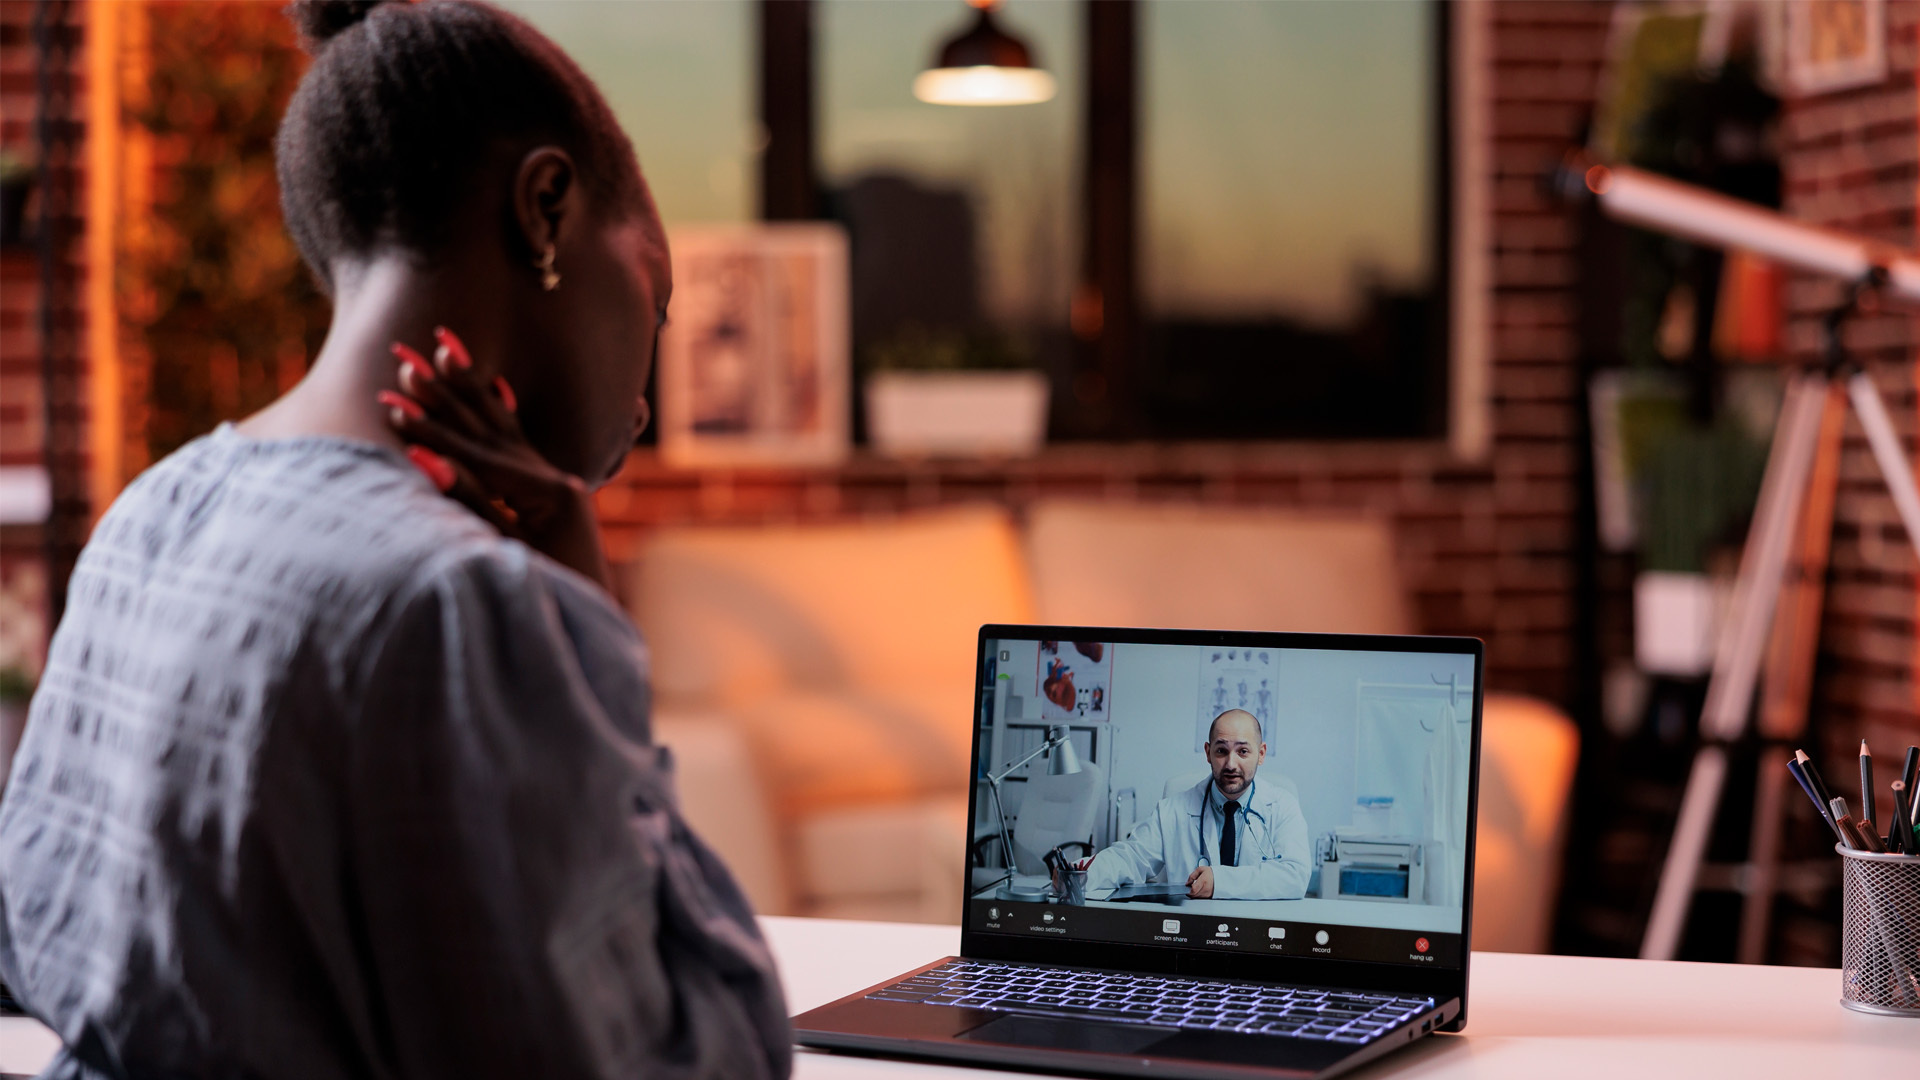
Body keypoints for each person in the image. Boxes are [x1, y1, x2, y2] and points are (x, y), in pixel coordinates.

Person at [0, 3, 790, 1078]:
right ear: (545, 209)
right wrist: (574, 595)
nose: (645, 405)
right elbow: (696, 1057)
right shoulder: (463, 604)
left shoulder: (150, 516)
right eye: (655, 298)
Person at [1086, 709, 1310, 901]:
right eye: (1221, 751)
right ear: (1208, 753)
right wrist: (1080, 873)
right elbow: (1131, 858)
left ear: (1260, 754)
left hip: (1259, 933)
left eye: (1243, 751)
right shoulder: (1172, 811)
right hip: (1192, 932)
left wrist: (1219, 881)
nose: (1231, 764)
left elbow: (1296, 876)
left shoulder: (1283, 806)